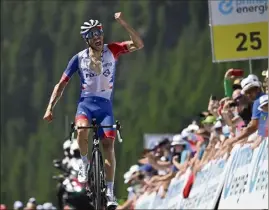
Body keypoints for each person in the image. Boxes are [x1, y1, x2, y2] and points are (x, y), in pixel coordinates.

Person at [43, 12, 144, 207]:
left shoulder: (112, 50)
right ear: (86, 40)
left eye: (99, 32)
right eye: (92, 35)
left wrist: (123, 22)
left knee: (108, 147)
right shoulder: (78, 59)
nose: (97, 37)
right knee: (81, 130)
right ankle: (83, 163)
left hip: (105, 107)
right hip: (86, 105)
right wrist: (50, 108)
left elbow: (138, 44)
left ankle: (110, 192)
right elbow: (61, 85)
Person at [224, 74, 268, 146]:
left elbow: (254, 127)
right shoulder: (258, 101)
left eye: (250, 91)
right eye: (246, 93)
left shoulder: (258, 102)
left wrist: (234, 140)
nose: (248, 95)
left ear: (258, 89)